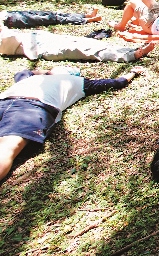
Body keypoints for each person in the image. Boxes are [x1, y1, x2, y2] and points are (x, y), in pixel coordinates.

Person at [0, 66, 145, 183]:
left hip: (33, 108)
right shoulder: (32, 78)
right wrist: (46, 72)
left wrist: (132, 72)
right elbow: (23, 72)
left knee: (7, 147)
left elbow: (116, 83)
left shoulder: (76, 82)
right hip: (5, 101)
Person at [0, 26, 155, 62]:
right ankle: (129, 55)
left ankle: (132, 49)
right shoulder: (5, 42)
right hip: (39, 47)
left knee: (87, 42)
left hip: (42, 37)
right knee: (82, 49)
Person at [2, 9, 101, 28]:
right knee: (51, 18)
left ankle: (86, 16)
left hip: (9, 13)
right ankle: (86, 20)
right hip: (10, 20)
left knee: (52, 14)